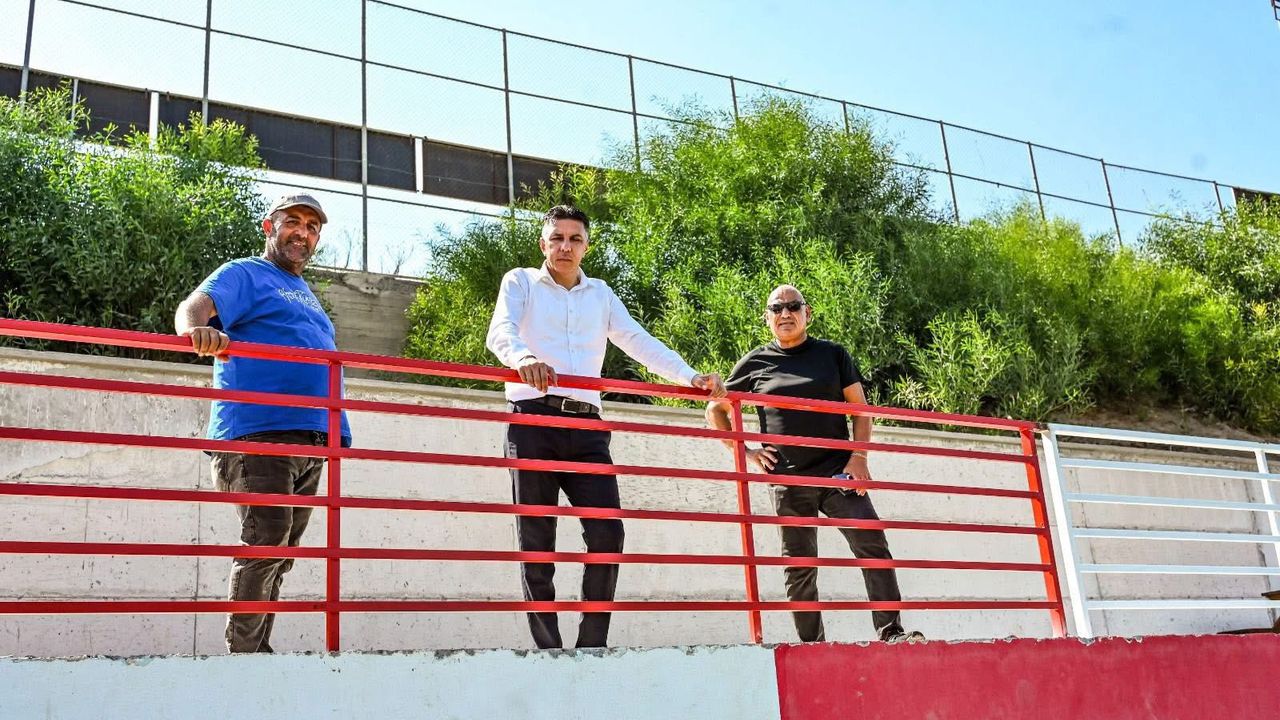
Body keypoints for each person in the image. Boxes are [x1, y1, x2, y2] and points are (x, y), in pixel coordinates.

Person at [486, 204, 726, 649]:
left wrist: (688, 376)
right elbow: (500, 330)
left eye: (574, 239)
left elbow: (638, 340)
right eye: (557, 238)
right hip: (532, 420)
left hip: (587, 427)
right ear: (543, 244)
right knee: (537, 539)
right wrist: (524, 358)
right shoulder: (520, 281)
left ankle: (591, 646)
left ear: (586, 246)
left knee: (607, 533)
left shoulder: (601, 294)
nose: (565, 246)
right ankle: (549, 651)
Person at [174, 193, 352, 653]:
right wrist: (197, 330)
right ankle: (244, 657)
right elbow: (193, 307)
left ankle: (258, 651)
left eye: (312, 227)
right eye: (293, 222)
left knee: (282, 550)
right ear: (269, 227)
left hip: (312, 436)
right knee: (267, 540)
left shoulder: (305, 292)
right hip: (259, 431)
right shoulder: (246, 272)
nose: (303, 233)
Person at [705, 284, 923, 644]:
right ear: (767, 317)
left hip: (838, 473)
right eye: (777, 308)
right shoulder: (755, 362)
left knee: (872, 545)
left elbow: (860, 409)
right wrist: (744, 453)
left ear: (807, 313)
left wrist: (859, 456)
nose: (785, 314)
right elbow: (715, 410)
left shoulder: (832, 355)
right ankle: (812, 646)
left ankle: (892, 633)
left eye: (793, 307)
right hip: (788, 481)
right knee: (799, 567)